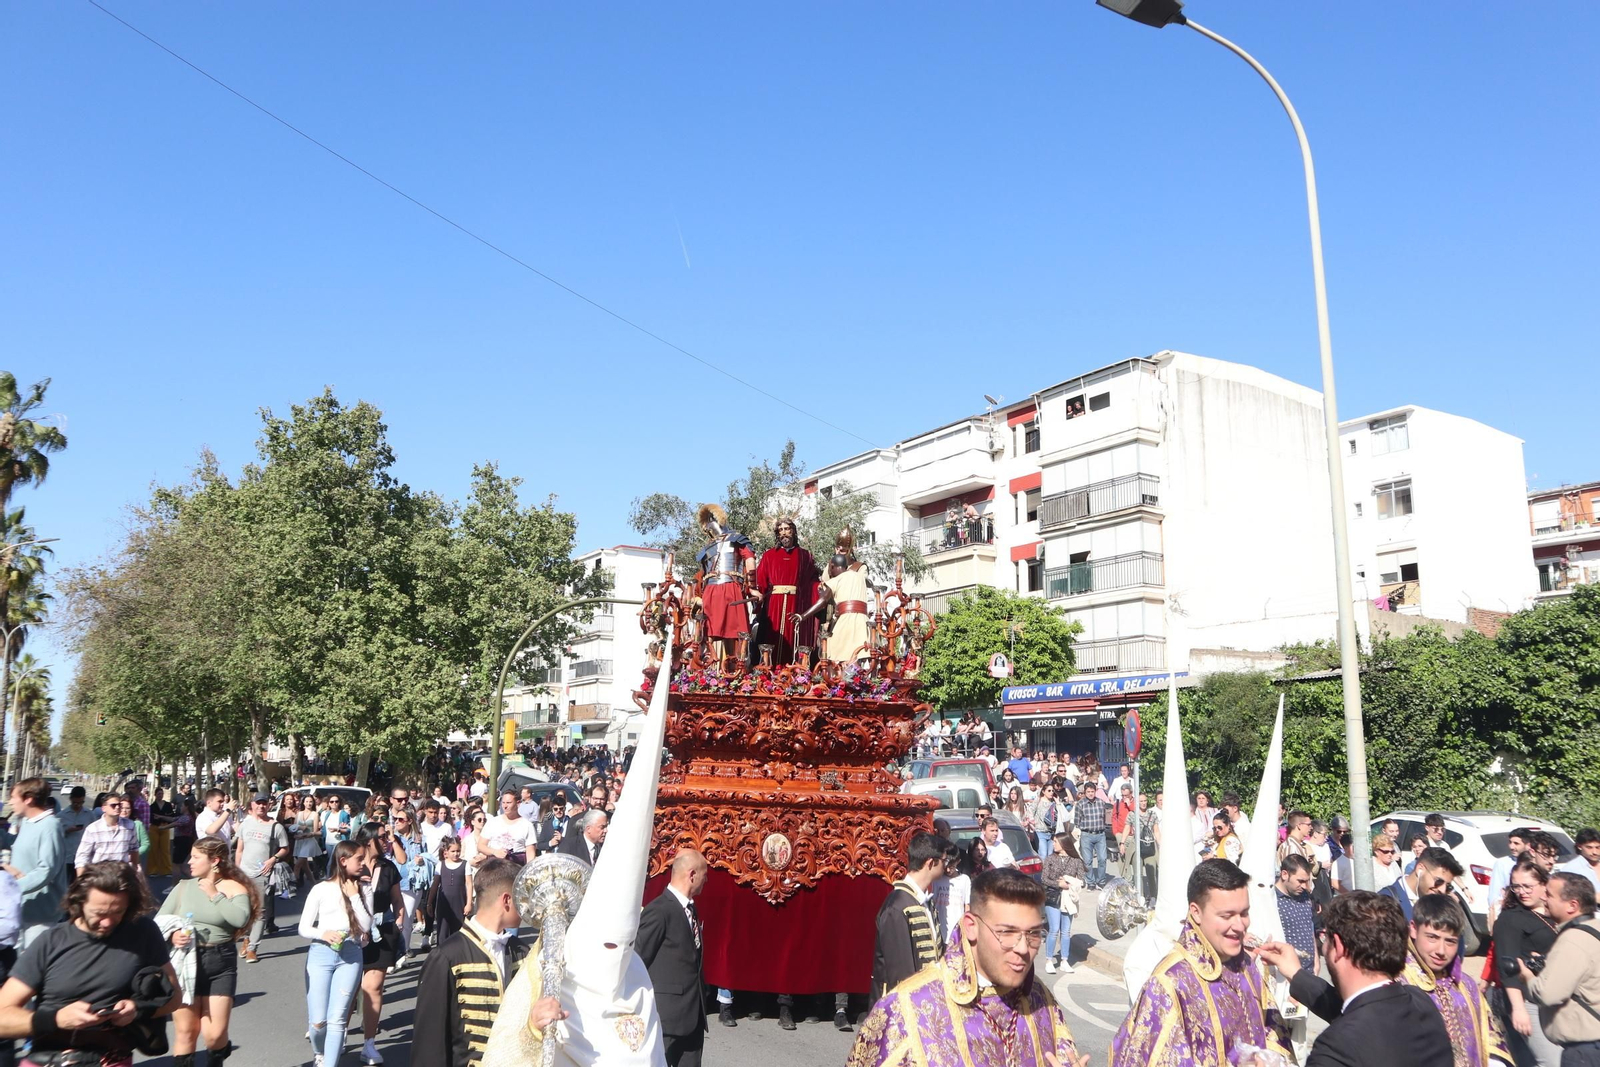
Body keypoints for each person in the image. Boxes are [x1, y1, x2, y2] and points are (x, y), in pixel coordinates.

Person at [846, 868, 1085, 1067]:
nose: (1023, 949)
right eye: (1007, 932)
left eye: (1033, 933)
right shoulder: (906, 1009)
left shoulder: (1041, 1000)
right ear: (971, 927)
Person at [1111, 859, 1291, 1067]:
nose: (1239, 926)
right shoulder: (1169, 985)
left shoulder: (1246, 965)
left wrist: (1271, 1060)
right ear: (1196, 912)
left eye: (1244, 913)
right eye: (1227, 915)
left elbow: (1272, 1032)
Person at [0, 861, 180, 1067]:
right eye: (99, 913)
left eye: (118, 912)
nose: (107, 922)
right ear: (79, 903)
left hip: (111, 1059)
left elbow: (174, 998)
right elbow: (2, 1017)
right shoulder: (50, 943)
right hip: (50, 1059)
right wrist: (56, 1019)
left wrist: (137, 1009)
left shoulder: (143, 932)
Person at [1257, 891, 1454, 1067]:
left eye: (1326, 939)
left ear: (1338, 946)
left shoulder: (1336, 1049)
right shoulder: (1420, 1002)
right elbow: (1359, 1011)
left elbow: (1359, 1021)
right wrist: (1297, 975)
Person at [413, 857, 528, 1067]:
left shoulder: (521, 952)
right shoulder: (448, 956)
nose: (526, 907)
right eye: (522, 898)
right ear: (507, 900)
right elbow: (430, 1040)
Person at [157, 835, 260, 1067]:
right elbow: (160, 921)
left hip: (220, 962)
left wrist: (214, 895)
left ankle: (220, 1050)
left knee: (214, 1035)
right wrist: (173, 935)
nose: (189, 862)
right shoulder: (184, 887)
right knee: (186, 1032)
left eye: (195, 857)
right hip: (186, 960)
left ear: (214, 860)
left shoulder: (234, 888)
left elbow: (240, 919)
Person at [1401, 893, 1512, 1067]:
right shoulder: (1398, 983)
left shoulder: (1467, 986)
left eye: (1450, 941)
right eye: (1432, 937)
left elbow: (1489, 1039)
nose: (1441, 950)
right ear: (1413, 929)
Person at [301, 840, 373, 1067]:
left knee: (338, 1019)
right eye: (359, 859)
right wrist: (323, 933)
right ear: (343, 861)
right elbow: (303, 927)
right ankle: (319, 1053)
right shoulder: (321, 889)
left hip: (350, 955)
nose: (363, 863)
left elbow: (366, 925)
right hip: (321, 954)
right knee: (318, 1021)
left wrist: (355, 896)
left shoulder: (363, 888)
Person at [1519, 872, 1600, 1067]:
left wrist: (1528, 978)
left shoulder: (1573, 940)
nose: (1543, 898)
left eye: (1549, 894)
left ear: (1572, 905)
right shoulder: (1595, 929)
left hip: (1585, 1052)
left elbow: (1547, 994)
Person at [638, 851, 709, 1067]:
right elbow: (638, 958)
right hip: (667, 1018)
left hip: (693, 1015)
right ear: (692, 875)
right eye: (705, 875)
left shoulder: (690, 908)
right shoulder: (659, 911)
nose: (706, 881)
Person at [1495, 859, 1562, 1067]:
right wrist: (1518, 1008)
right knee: (1551, 1062)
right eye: (1516, 886)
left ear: (1544, 884)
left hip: (1556, 996)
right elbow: (1507, 966)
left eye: (1527, 886)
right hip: (1527, 999)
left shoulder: (1554, 912)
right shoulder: (1510, 919)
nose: (1521, 892)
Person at [870, 833, 946, 1003]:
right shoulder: (897, 907)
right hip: (902, 1006)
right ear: (930, 863)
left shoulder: (925, 901)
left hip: (928, 1000)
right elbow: (901, 974)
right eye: (944, 861)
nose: (946, 866)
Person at [355, 823, 405, 1066]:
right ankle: (335, 1034)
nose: (387, 841)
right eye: (383, 837)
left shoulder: (388, 867)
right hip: (354, 934)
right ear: (369, 841)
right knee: (351, 988)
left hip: (383, 932)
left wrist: (399, 920)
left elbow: (397, 899)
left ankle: (369, 1044)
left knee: (373, 986)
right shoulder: (351, 865)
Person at [1384, 846, 1482, 954]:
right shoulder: (1386, 901)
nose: (1442, 890)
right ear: (1420, 869)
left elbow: (1458, 947)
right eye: (1438, 881)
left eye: (1448, 886)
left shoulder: (1444, 905)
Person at [794, 532, 873, 663]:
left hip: (846, 621)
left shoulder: (850, 573)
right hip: (861, 621)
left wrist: (802, 616)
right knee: (857, 658)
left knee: (835, 658)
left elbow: (822, 600)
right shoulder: (858, 576)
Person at [693, 502, 757, 662]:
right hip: (712, 591)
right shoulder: (708, 547)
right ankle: (713, 667)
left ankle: (737, 667)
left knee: (736, 632)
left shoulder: (736, 539)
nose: (708, 530)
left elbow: (750, 560)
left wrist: (752, 586)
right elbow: (703, 574)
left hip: (730, 588)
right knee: (709, 632)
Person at [6, 778, 65, 950]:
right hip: (21, 907)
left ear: (28, 799)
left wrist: (12, 887)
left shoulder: (50, 826)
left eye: (13, 797)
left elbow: (46, 870)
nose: (10, 802)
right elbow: (18, 847)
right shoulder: (25, 821)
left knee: (33, 961)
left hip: (41, 913)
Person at [751, 517, 820, 664]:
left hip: (796, 604)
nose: (784, 533)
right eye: (780, 530)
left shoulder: (805, 555)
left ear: (793, 531)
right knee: (772, 636)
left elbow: (812, 581)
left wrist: (819, 587)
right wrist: (756, 592)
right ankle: (770, 669)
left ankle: (793, 670)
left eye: (787, 529)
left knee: (793, 637)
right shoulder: (769, 555)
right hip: (774, 605)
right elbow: (760, 580)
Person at [233, 793, 290, 963]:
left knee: (260, 913)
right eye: (258, 803)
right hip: (244, 874)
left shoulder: (276, 827)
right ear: (252, 805)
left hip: (263, 875)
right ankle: (246, 938)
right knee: (244, 911)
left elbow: (285, 848)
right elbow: (239, 850)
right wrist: (236, 871)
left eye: (264, 803)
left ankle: (253, 948)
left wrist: (273, 859)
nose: (261, 806)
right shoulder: (245, 824)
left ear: (268, 806)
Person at [1041, 832, 1085, 975]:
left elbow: (1082, 880)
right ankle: (1049, 960)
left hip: (1068, 899)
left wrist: (1070, 884)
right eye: (1053, 841)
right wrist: (1058, 884)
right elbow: (1044, 879)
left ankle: (1065, 960)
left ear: (1064, 843)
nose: (1053, 844)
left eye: (1056, 841)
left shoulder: (1076, 861)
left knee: (1066, 931)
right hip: (1053, 897)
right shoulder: (1050, 859)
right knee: (1054, 929)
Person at [75, 793, 139, 875]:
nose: (117, 807)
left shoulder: (130, 826)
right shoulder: (93, 829)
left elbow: (134, 849)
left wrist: (134, 870)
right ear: (104, 808)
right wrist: (81, 879)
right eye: (113, 805)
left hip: (122, 875)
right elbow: (82, 857)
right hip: (100, 875)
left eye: (119, 805)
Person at [1491, 828, 1536, 927]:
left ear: (1528, 845)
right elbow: (1495, 894)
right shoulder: (1502, 863)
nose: (1511, 846)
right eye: (1510, 842)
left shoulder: (1535, 862)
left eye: (1516, 843)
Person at [483, 790, 534, 867]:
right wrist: (494, 852)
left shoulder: (527, 825)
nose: (505, 806)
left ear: (518, 803)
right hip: (494, 867)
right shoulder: (492, 822)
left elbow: (530, 853)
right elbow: (481, 845)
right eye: (503, 803)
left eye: (508, 803)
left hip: (516, 867)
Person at [1075, 784, 1109, 889]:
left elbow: (1106, 818)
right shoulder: (1080, 804)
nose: (1090, 794)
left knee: (1102, 859)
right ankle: (1090, 882)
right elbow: (1077, 821)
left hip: (1100, 834)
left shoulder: (1101, 803)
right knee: (1087, 861)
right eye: (1088, 792)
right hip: (1087, 835)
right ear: (1085, 792)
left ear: (1095, 791)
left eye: (1092, 791)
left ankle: (1101, 881)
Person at [293, 794, 324, 890]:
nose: (309, 803)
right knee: (305, 867)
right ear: (303, 803)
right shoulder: (299, 813)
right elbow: (294, 827)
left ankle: (291, 887)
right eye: (307, 801)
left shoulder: (315, 814)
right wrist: (296, 834)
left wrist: (304, 835)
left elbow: (315, 831)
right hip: (299, 841)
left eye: (311, 801)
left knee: (297, 865)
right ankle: (315, 885)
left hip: (309, 841)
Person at [1558, 829, 1600, 895]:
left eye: (1597, 847)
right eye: (1589, 847)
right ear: (1579, 846)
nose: (1594, 852)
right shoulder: (1571, 869)